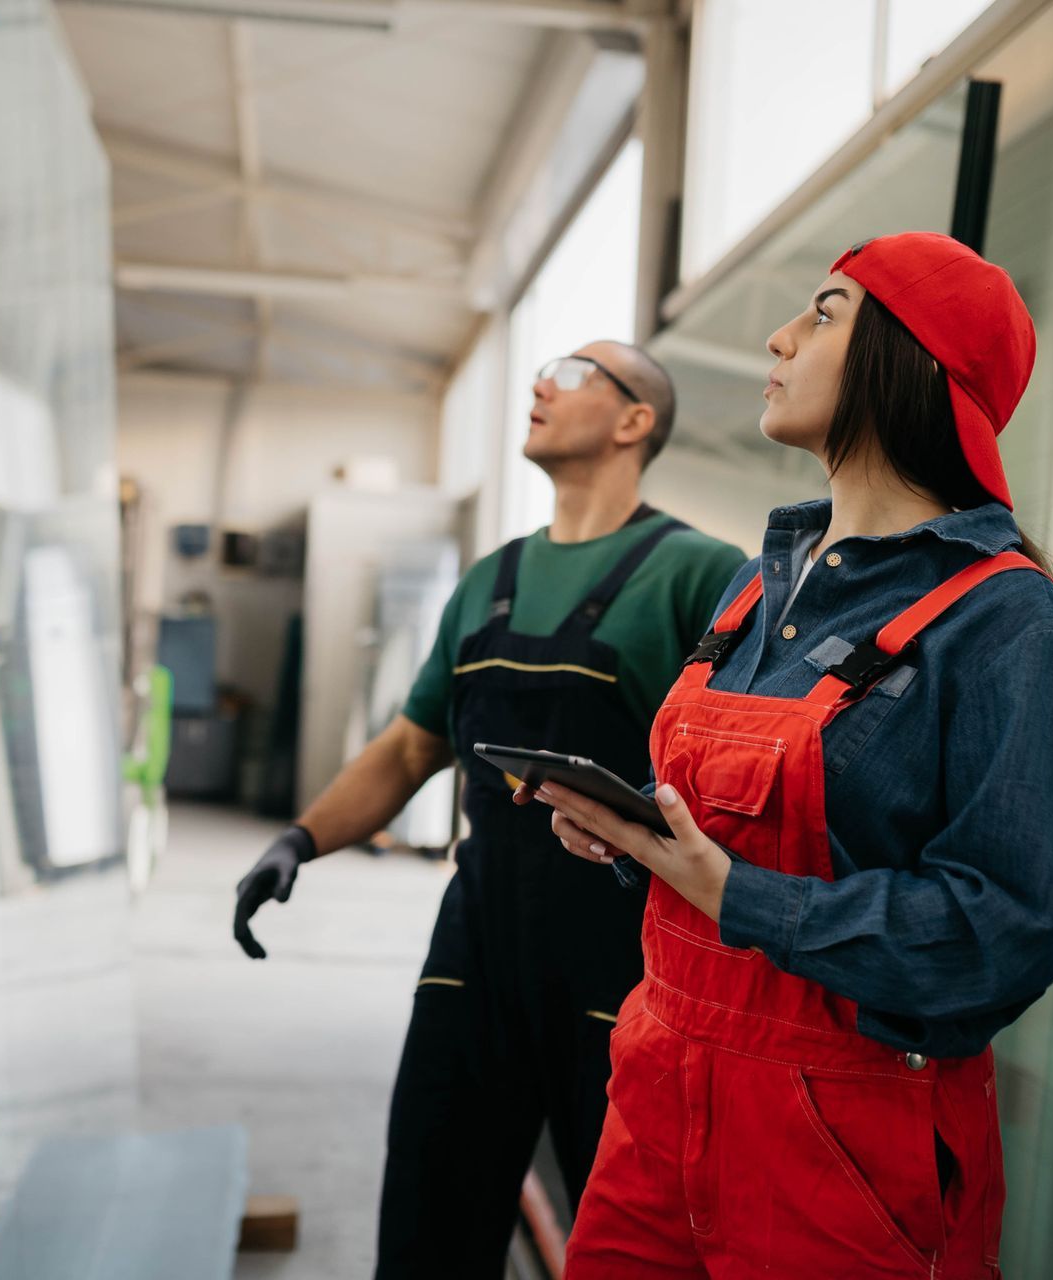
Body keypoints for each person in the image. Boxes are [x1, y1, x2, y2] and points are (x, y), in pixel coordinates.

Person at [530, 233, 1053, 1277]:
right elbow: (744, 843)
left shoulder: (1009, 628)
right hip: (659, 1089)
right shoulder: (758, 589)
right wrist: (642, 841)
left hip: (842, 1142)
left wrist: (745, 898)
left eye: (825, 311)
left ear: (913, 360)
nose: (779, 335)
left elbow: (1009, 930)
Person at [231, 340, 745, 1279]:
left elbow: (743, 782)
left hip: (627, 971)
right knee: (430, 1222)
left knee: (627, 1243)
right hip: (475, 953)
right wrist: (299, 840)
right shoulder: (488, 581)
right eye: (545, 368)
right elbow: (409, 747)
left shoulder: (704, 577)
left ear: (636, 422)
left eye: (577, 374)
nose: (542, 383)